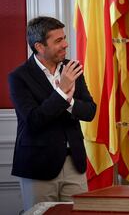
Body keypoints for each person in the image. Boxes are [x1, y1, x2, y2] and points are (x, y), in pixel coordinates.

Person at [8, 16, 97, 211]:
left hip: (75, 164)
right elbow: (33, 120)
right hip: (38, 166)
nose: (65, 44)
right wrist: (61, 92)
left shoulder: (72, 68)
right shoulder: (18, 77)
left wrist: (69, 101)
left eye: (64, 38)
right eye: (58, 41)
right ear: (39, 47)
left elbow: (90, 111)